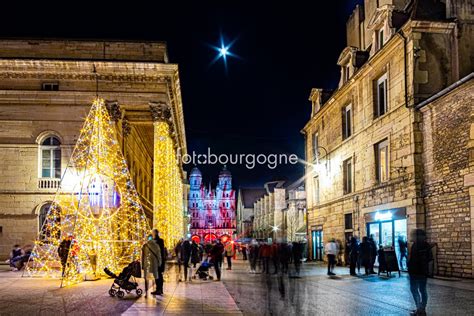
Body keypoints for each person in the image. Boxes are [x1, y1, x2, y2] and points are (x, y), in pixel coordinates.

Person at [408, 229, 433, 316]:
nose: (411, 236)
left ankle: (419, 309)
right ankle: (422, 309)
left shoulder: (415, 245)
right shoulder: (426, 245)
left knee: (414, 289)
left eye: (413, 235)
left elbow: (414, 260)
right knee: (422, 290)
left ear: (417, 236)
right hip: (422, 272)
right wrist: (429, 272)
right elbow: (430, 260)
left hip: (415, 272)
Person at [152, 229, 166, 295]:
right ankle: (159, 289)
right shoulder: (159, 241)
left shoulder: (157, 241)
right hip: (159, 261)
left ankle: (159, 290)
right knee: (158, 275)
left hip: (157, 262)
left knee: (158, 276)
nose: (152, 234)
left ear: (155, 233)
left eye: (153, 233)